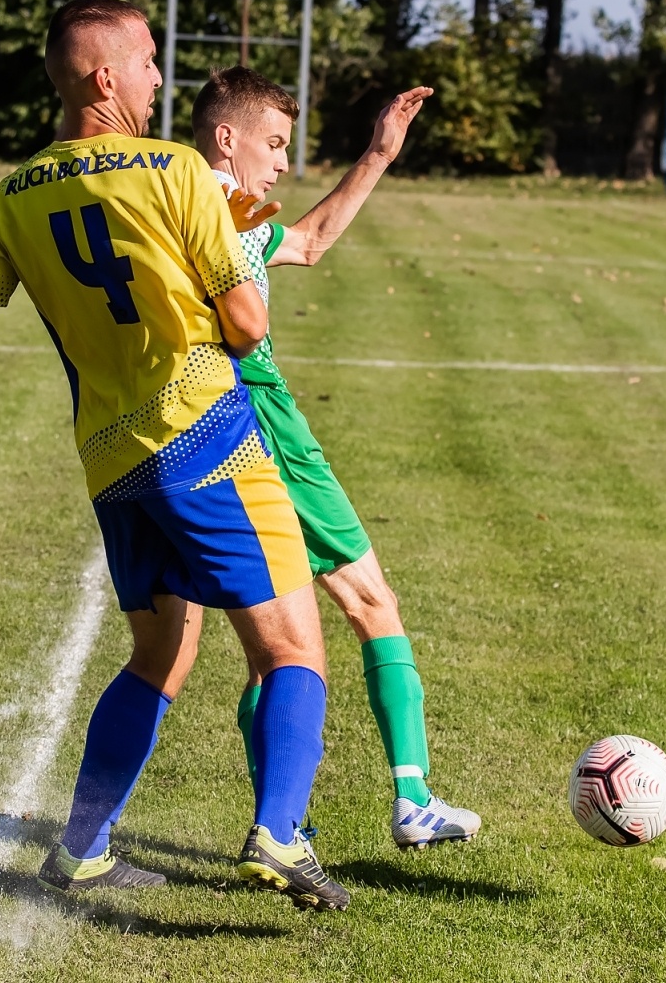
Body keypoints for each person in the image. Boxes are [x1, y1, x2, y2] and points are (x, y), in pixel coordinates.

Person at [0, 0, 350, 911]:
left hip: (114, 464)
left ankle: (80, 847)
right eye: (148, 61)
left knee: (160, 651)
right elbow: (247, 318)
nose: (158, 77)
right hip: (209, 439)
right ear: (105, 78)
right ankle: (278, 831)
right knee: (293, 649)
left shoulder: (16, 196)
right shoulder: (180, 171)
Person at [190, 66, 483, 850]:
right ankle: (411, 796)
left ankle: (285, 827)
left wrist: (380, 154)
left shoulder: (199, 203)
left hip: (199, 424)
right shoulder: (211, 201)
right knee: (369, 601)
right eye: (275, 143)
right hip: (261, 413)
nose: (284, 161)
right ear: (227, 137)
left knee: (262, 654)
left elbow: (312, 241)